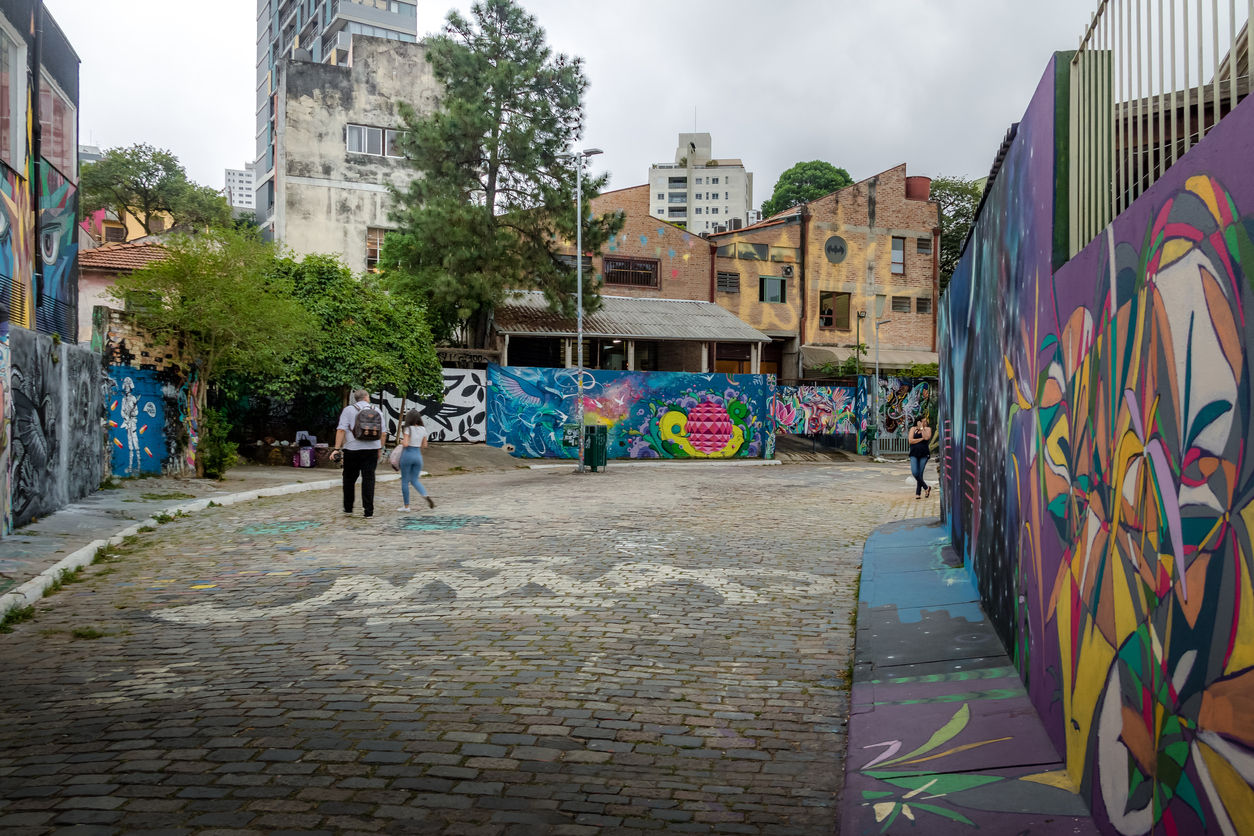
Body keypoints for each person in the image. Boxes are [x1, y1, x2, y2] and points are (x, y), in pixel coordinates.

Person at [332, 389, 387, 517]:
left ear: (355, 399)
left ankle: (348, 507)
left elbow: (341, 430)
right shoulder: (376, 410)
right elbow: (383, 433)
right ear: (367, 398)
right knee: (368, 478)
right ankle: (368, 511)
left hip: (352, 449)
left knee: (349, 478)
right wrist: (379, 449)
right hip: (372, 449)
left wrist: (336, 449)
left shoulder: (348, 410)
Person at [397, 408, 435, 512]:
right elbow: (425, 445)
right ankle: (424, 494)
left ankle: (406, 506)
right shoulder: (423, 429)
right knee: (414, 480)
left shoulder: (408, 429)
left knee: (405, 481)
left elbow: (405, 443)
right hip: (418, 456)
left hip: (408, 455)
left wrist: (401, 442)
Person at [908, 416, 932, 499]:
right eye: (923, 422)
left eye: (926, 422)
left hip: (924, 454)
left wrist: (922, 429)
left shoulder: (927, 429)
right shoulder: (913, 429)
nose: (925, 423)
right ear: (918, 422)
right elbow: (910, 440)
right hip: (914, 453)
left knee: (920, 473)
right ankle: (926, 487)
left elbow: (926, 437)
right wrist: (921, 439)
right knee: (915, 472)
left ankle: (918, 493)